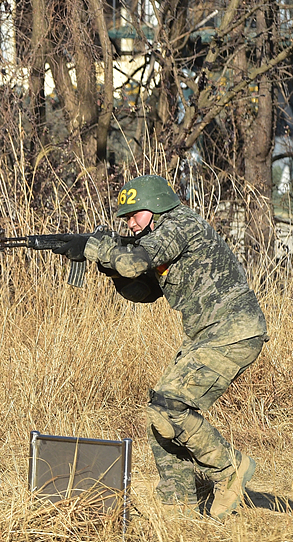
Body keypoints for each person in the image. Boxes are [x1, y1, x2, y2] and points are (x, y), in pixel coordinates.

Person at [53, 175, 267, 519]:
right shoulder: (159, 237)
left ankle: (230, 469)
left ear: (155, 206)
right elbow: (144, 291)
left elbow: (133, 261)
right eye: (125, 217)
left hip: (232, 330)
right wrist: (108, 268)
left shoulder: (179, 225)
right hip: (208, 335)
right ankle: (177, 505)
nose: (130, 223)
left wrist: (94, 247)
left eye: (135, 214)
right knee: (159, 412)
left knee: (170, 405)